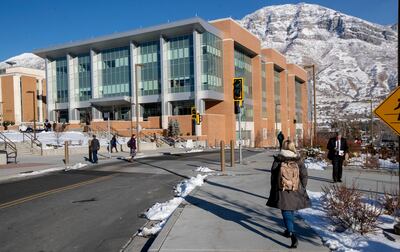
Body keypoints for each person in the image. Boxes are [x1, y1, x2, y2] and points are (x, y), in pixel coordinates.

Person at [266, 140, 311, 249]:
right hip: (296, 189)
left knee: (286, 210)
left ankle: (291, 233)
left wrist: (274, 188)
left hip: (282, 189)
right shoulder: (298, 159)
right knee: (290, 209)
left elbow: (273, 175)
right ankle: (288, 230)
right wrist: (302, 187)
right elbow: (304, 175)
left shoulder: (278, 159)